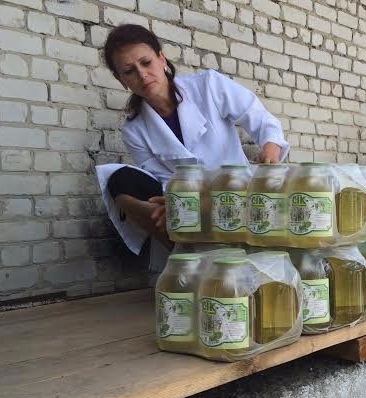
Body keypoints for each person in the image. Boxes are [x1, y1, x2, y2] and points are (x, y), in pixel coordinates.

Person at [95, 24, 289, 261]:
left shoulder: (208, 86)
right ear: (121, 80)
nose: (142, 75)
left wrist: (270, 147)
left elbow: (258, 116)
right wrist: (174, 202)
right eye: (129, 71)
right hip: (190, 203)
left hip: (236, 193)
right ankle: (188, 255)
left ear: (162, 59)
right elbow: (163, 178)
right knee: (120, 180)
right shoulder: (134, 129)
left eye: (146, 63)